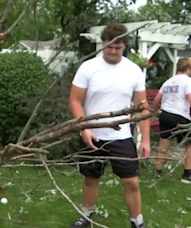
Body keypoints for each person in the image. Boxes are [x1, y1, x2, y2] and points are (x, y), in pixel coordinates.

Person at [68, 22, 151, 228]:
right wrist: (84, 128)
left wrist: (146, 139)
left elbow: (142, 107)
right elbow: (75, 100)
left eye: (118, 48)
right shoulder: (88, 67)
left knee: (131, 182)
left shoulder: (133, 71)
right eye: (109, 46)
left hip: (121, 137)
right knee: (90, 179)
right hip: (92, 136)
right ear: (103, 44)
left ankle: (137, 222)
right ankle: (86, 217)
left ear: (125, 47)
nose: (112, 51)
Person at [152, 58, 191, 183]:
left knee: (163, 142)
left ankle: (158, 171)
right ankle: (187, 175)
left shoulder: (168, 82)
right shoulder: (187, 81)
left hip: (165, 114)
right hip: (180, 115)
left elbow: (157, 99)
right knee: (188, 144)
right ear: (188, 69)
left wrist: (155, 111)